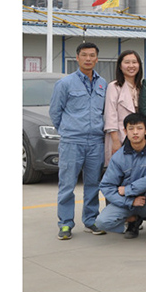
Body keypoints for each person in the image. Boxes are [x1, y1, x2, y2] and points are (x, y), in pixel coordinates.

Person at [49, 42, 108, 240]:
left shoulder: (102, 83)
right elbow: (55, 112)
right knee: (67, 184)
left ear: (97, 59)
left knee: (93, 184)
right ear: (77, 57)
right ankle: (65, 224)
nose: (88, 59)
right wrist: (68, 131)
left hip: (96, 142)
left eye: (92, 55)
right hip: (72, 141)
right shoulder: (65, 84)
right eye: (84, 55)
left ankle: (90, 220)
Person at [95, 113, 146, 247]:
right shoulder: (119, 157)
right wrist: (130, 201)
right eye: (131, 129)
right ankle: (133, 220)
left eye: (139, 128)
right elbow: (106, 186)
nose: (135, 132)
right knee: (101, 222)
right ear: (125, 131)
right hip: (128, 202)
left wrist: (129, 189)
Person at [104, 50, 143, 168]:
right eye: (127, 62)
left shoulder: (141, 87)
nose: (131, 66)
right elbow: (110, 114)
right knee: (119, 169)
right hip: (119, 136)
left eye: (134, 62)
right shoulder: (114, 86)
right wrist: (116, 141)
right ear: (120, 66)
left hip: (137, 137)